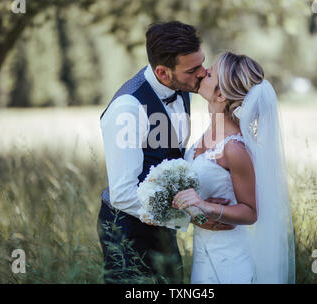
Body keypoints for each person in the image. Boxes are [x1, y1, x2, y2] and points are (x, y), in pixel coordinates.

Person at [97, 21, 231, 283]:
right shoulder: (128, 109)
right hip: (127, 232)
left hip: (162, 227)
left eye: (202, 63)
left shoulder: (181, 89)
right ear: (162, 72)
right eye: (193, 69)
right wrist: (192, 215)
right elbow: (123, 195)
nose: (203, 73)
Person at [173, 52, 296, 283]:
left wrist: (206, 207)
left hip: (229, 263)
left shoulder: (234, 148)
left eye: (209, 74)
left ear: (220, 94)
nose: (202, 73)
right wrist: (191, 213)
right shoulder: (207, 135)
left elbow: (250, 212)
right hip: (202, 256)